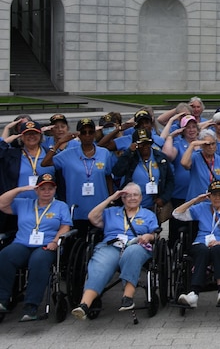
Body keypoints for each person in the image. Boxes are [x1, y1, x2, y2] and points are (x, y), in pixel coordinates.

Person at [71, 183, 159, 318]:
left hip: (136, 245)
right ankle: (84, 305)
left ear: (141, 197)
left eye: (135, 195)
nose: (132, 198)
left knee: (133, 252)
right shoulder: (111, 212)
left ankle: (127, 297)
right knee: (101, 264)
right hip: (111, 246)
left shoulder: (148, 214)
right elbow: (91, 217)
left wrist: (148, 236)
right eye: (127, 196)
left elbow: (155, 234)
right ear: (122, 199)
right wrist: (110, 198)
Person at [0, 173, 72, 322]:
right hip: (22, 244)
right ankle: (2, 300)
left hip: (46, 245)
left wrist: (55, 241)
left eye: (50, 188)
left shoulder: (60, 206)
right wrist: (20, 189)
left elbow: (65, 226)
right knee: (5, 256)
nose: (46, 191)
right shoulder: (24, 203)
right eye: (42, 188)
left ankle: (31, 306)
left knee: (38, 260)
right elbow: (1, 203)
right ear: (36, 190)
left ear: (55, 190)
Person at [173, 180, 220, 308]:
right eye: (214, 195)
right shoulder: (201, 207)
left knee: (217, 249)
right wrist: (195, 200)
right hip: (201, 243)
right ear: (208, 196)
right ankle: (193, 294)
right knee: (202, 250)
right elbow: (177, 214)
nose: (217, 198)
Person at [43, 118, 115, 232]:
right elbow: (45, 163)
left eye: (90, 132)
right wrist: (58, 144)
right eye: (83, 132)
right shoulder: (68, 154)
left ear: (94, 134)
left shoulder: (104, 153)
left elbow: (108, 177)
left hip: (99, 205)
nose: (87, 135)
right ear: (79, 135)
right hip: (77, 206)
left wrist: (111, 199)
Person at [112, 128, 174, 224]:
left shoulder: (160, 157)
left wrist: (163, 198)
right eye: (141, 144)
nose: (145, 146)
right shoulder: (130, 157)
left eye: (147, 143)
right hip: (132, 204)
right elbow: (117, 172)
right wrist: (129, 152)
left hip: (153, 206)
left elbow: (170, 180)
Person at [0, 120, 53, 197]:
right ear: (21, 137)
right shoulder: (12, 155)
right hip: (18, 204)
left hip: (47, 204)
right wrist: (5, 142)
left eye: (35, 133)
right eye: (27, 134)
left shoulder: (50, 154)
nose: (31, 136)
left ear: (41, 135)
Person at [181, 129, 220, 204]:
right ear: (201, 145)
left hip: (216, 204)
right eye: (207, 144)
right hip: (197, 204)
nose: (211, 147)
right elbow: (184, 163)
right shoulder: (195, 157)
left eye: (213, 144)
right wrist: (192, 145)